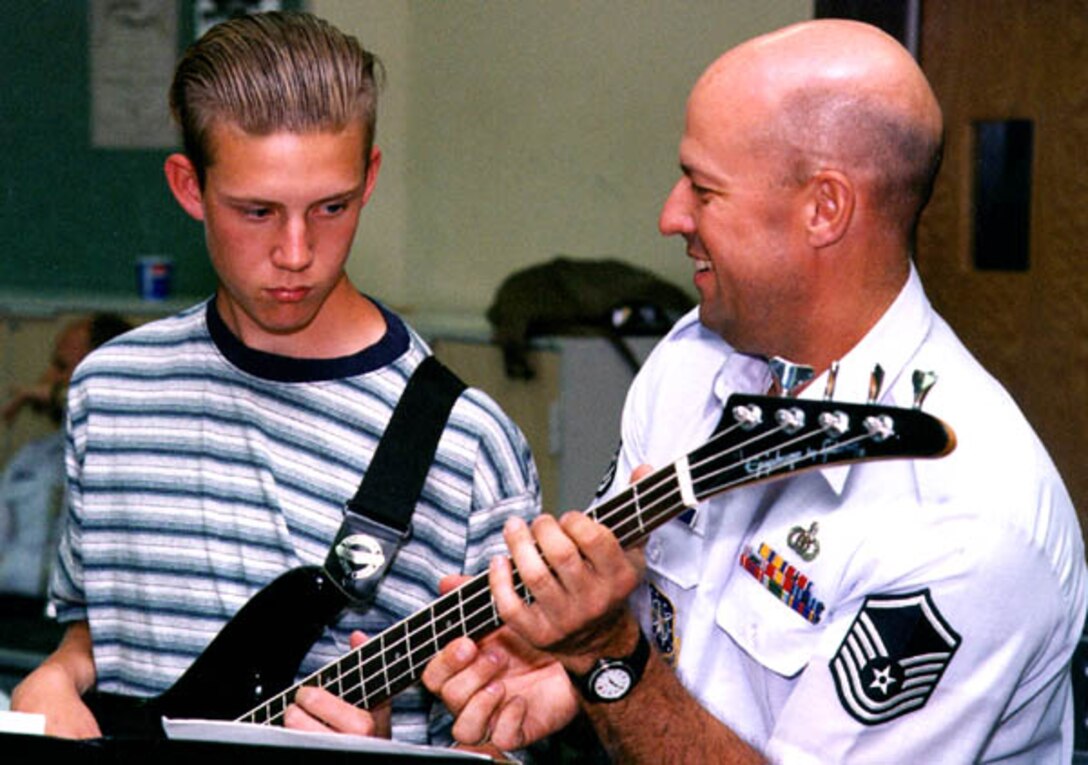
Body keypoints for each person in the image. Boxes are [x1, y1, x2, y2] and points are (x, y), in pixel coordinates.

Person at [413, 19, 1087, 763]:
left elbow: (630, 665)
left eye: (704, 189)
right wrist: (568, 678)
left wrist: (607, 659)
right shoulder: (690, 361)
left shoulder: (967, 524)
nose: (671, 216)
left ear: (825, 209)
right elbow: (660, 663)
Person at [10, 11, 540, 748]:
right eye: (256, 211)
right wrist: (58, 677)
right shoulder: (110, 392)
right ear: (188, 187)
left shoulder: (465, 443)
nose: (297, 253)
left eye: (332, 206)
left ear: (371, 177)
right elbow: (96, 630)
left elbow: (500, 737)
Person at [0, 314, 132, 598]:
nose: (47, 378)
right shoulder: (34, 455)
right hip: (15, 607)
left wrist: (57, 393)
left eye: (61, 367)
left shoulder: (126, 450)